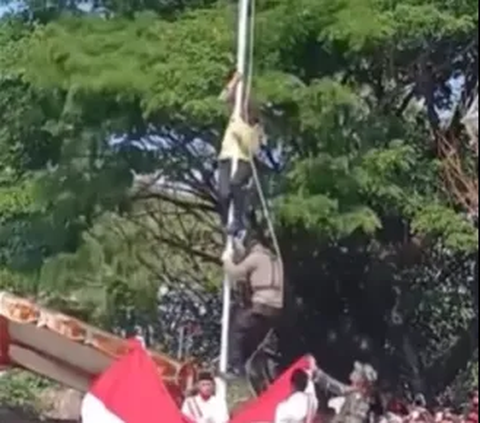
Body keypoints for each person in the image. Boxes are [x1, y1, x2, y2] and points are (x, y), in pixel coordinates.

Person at [222, 233, 284, 378]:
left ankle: (235, 368)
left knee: (236, 327)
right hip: (275, 309)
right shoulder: (276, 260)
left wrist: (226, 260)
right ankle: (245, 365)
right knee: (251, 335)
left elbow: (235, 272)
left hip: (261, 305)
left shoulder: (256, 257)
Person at [217, 71, 265, 236]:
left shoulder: (255, 126)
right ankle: (226, 221)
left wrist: (245, 136)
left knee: (236, 183)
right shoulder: (234, 115)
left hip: (245, 160)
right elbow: (223, 99)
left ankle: (238, 220)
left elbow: (255, 149)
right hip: (226, 157)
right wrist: (234, 82)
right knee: (223, 193)